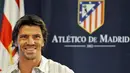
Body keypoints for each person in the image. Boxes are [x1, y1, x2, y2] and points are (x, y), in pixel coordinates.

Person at [4, 15, 74, 73]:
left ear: (43, 41)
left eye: (36, 37)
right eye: (24, 37)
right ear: (15, 41)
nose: (30, 42)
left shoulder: (63, 71)